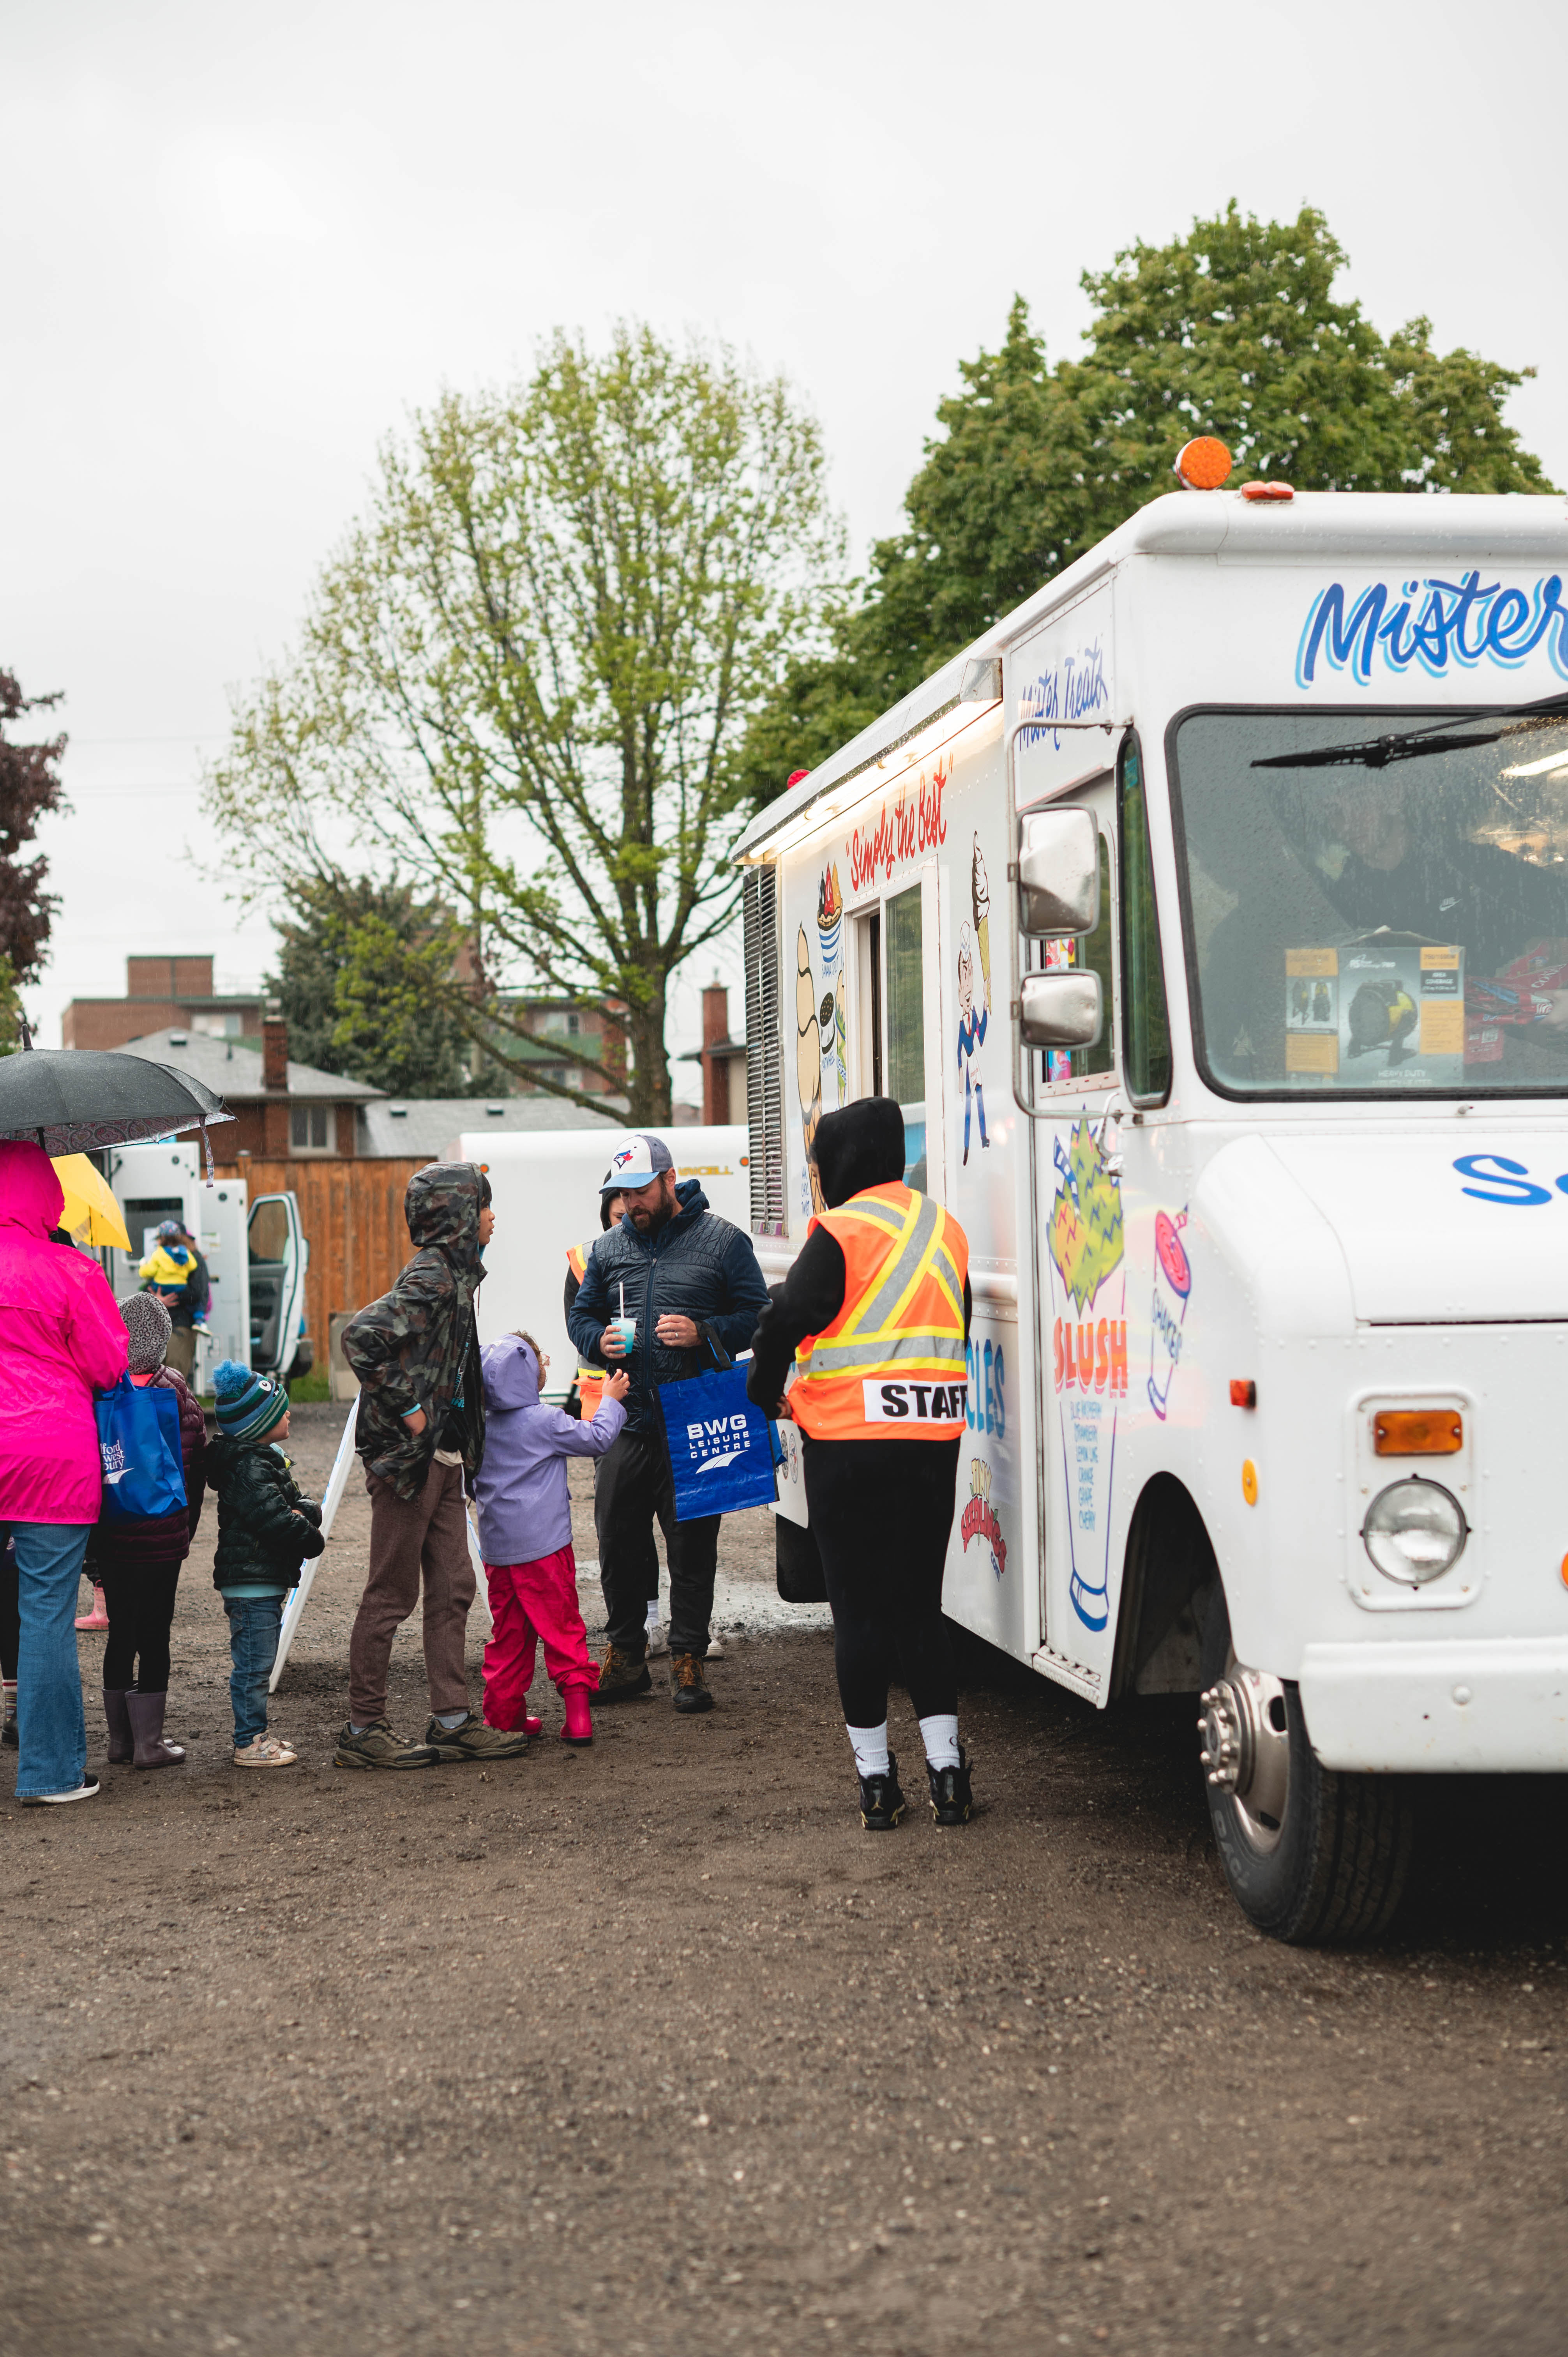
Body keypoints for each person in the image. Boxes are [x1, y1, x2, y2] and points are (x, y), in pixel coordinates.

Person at [746, 1098, 975, 1831]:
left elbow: (789, 1316)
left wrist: (764, 1387)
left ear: (840, 1162)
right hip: (930, 1445)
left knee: (858, 1615)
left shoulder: (841, 1228)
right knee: (918, 1609)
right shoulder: (947, 1229)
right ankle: (949, 1775)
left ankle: (877, 1784)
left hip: (847, 1447)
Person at [568, 1132, 770, 1716]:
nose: (632, 1202)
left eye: (639, 1189)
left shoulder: (724, 1242)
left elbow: (758, 1316)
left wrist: (705, 1333)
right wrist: (596, 1339)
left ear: (669, 1180)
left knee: (691, 1545)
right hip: (625, 1421)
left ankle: (688, 1659)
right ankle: (627, 1658)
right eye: (621, 1192)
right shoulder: (607, 1250)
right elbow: (583, 1313)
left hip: (693, 1421)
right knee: (617, 1542)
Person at [337, 1163, 528, 1770]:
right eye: (487, 1208)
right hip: (408, 1461)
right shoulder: (434, 1276)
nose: (495, 1218)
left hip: (443, 1459)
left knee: (453, 1588)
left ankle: (451, 1721)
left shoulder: (458, 1276)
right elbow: (361, 1336)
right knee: (390, 1594)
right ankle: (363, 1729)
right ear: (462, 1218)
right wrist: (413, 1412)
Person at [0, 1141, 129, 1805]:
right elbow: (111, 1365)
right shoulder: (70, 1269)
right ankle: (50, 1774)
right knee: (46, 1614)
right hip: (49, 1455)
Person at [473, 1332, 629, 1745]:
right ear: (525, 1376)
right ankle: (578, 1719)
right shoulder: (545, 1420)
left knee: (508, 1636)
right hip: (546, 1550)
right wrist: (611, 1400)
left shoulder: (479, 1429)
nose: (545, 1366)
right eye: (539, 1361)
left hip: (499, 1552)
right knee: (562, 1628)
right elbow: (598, 1438)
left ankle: (505, 1719)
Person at [91, 1292, 206, 1770]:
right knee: (155, 1634)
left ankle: (119, 1743)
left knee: (121, 1634)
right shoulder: (174, 1388)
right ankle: (150, 1745)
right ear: (161, 1338)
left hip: (114, 1536)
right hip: (162, 1538)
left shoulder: (99, 1388)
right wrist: (186, 1529)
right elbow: (195, 1465)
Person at [564, 1171, 667, 1655]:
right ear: (607, 1214)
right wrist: (601, 1341)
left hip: (659, 1406)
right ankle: (634, 1632)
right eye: (617, 1215)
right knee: (621, 1527)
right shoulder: (589, 1259)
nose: (627, 1220)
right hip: (603, 1410)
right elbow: (577, 1325)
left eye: (634, 1208)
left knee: (677, 1523)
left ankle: (663, 1625)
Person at [208, 1361, 322, 1766]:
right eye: (281, 1411)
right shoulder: (251, 1466)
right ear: (259, 1426)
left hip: (259, 1579)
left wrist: (303, 1512)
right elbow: (276, 1519)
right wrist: (312, 1537)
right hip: (251, 1581)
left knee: (258, 1663)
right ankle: (248, 1742)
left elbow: (289, 1506)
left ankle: (256, 1735)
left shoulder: (262, 1460)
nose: (289, 1413)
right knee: (254, 1667)